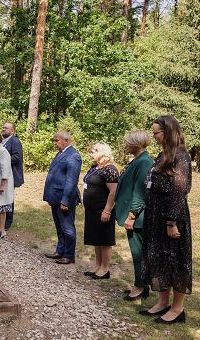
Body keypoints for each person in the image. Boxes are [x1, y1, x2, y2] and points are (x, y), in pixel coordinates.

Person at [139, 115, 192, 324]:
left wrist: (172, 222)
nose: (154, 137)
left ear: (168, 132)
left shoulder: (181, 156)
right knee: (160, 259)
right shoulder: (163, 154)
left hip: (172, 216)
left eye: (156, 133)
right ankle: (163, 302)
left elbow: (180, 191)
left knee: (176, 261)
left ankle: (178, 309)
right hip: (156, 215)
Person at [114, 130, 153, 301]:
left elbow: (141, 191)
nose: (126, 145)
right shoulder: (137, 160)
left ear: (136, 144)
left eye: (128, 142)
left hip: (138, 218)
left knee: (139, 253)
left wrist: (132, 215)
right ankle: (140, 283)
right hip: (133, 216)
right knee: (136, 251)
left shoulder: (144, 162)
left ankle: (140, 286)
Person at [43, 130, 82, 264]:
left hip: (65, 199)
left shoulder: (73, 156)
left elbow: (71, 181)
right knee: (59, 226)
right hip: (55, 197)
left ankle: (69, 255)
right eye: (54, 140)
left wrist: (65, 200)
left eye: (57, 140)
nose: (55, 143)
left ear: (66, 140)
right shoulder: (61, 153)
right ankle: (60, 251)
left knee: (67, 228)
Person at [82, 142, 118, 279]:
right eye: (90, 152)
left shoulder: (110, 169)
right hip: (92, 210)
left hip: (102, 210)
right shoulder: (95, 167)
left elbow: (113, 192)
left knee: (104, 240)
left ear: (103, 152)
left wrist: (107, 210)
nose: (91, 154)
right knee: (96, 239)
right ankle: (97, 266)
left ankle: (105, 269)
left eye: (93, 152)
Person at [0, 122, 24, 231]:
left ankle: (8, 222)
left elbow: (17, 157)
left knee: (8, 198)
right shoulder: (2, 142)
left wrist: (3, 160)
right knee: (2, 198)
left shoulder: (15, 141)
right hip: (1, 175)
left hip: (11, 175)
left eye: (6, 128)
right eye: (3, 127)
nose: (3, 129)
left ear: (12, 131)